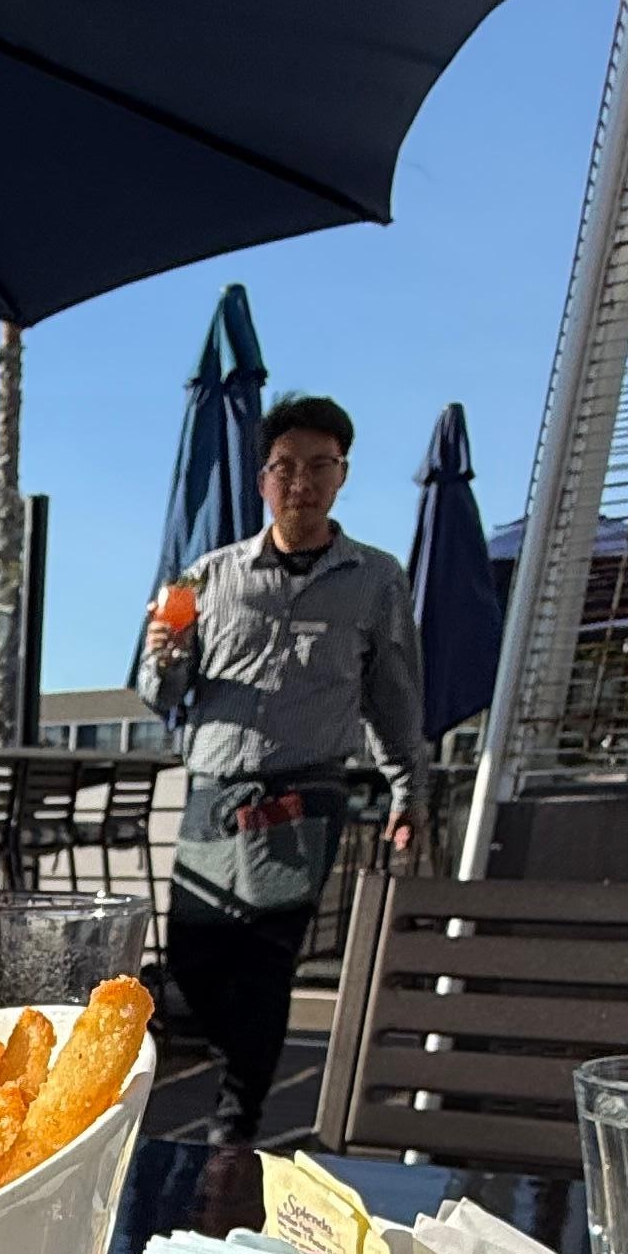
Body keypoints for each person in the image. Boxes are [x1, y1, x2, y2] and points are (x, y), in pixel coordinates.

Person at [135, 394, 423, 1148]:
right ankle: (235, 1069)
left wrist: (408, 791)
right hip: (213, 793)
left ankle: (237, 1119)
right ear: (264, 479)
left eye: (319, 466)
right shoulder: (206, 576)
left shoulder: (377, 580)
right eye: (286, 466)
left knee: (265, 961)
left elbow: (395, 698)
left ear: (341, 475)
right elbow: (159, 692)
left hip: (304, 795)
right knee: (193, 958)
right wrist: (164, 656)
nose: (302, 482)